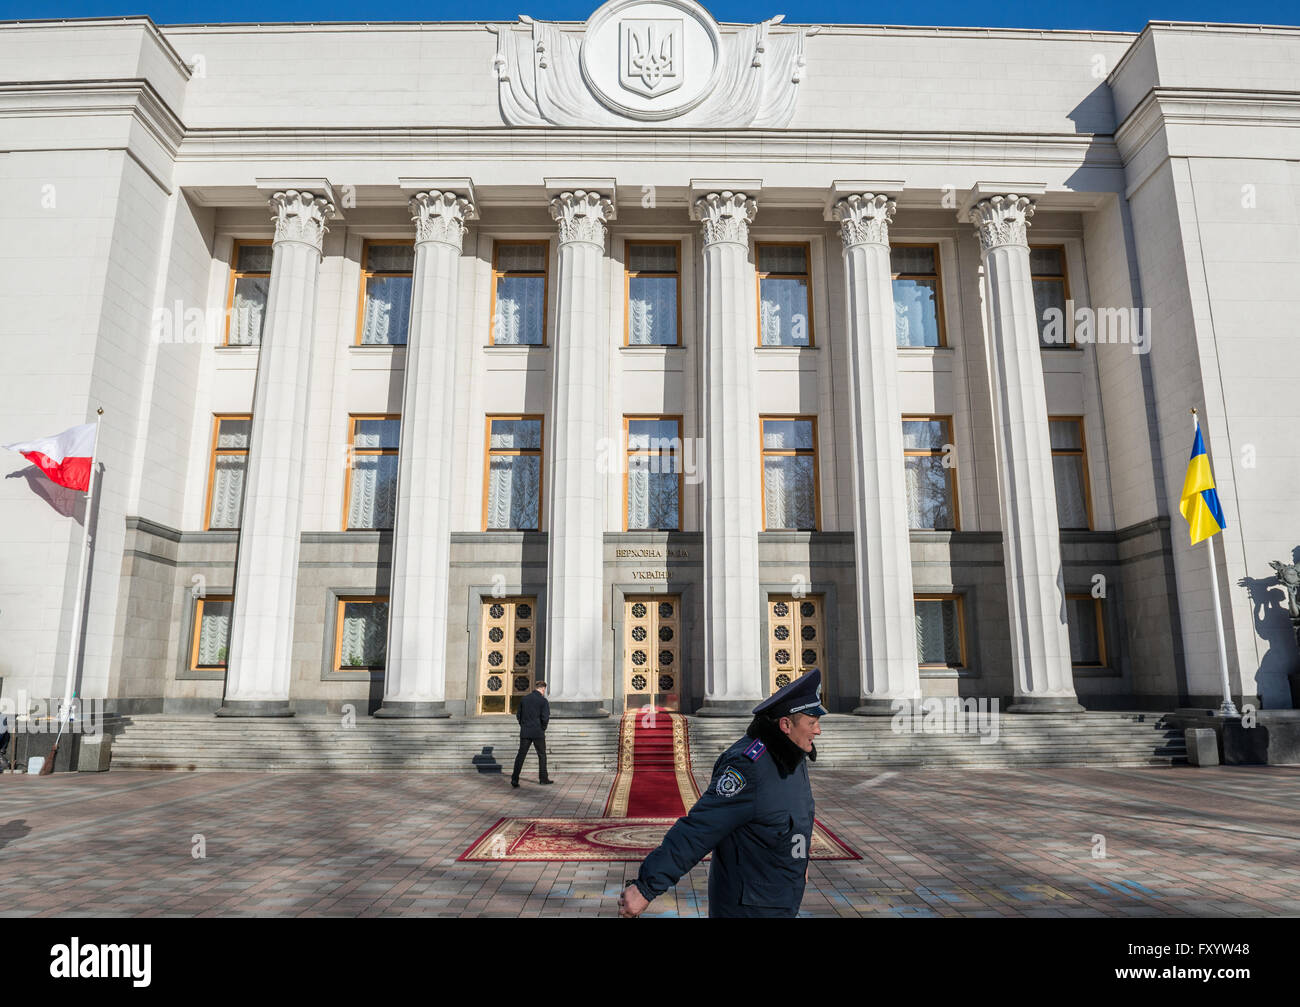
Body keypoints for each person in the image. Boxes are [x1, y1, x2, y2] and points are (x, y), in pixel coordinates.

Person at [619, 668, 825, 918]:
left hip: (781, 897)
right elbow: (699, 829)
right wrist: (645, 887)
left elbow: (797, 817)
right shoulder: (748, 766)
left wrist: (800, 862)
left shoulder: (792, 756)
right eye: (812, 723)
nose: (818, 731)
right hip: (749, 906)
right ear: (785, 725)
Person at [511, 680, 552, 788]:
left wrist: (523, 725)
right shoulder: (543, 701)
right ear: (543, 689)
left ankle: (514, 779)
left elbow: (518, 715)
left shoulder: (524, 699)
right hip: (538, 732)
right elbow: (545, 717)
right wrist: (543, 728)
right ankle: (543, 778)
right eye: (544, 690)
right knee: (542, 755)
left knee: (521, 756)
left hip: (525, 731)